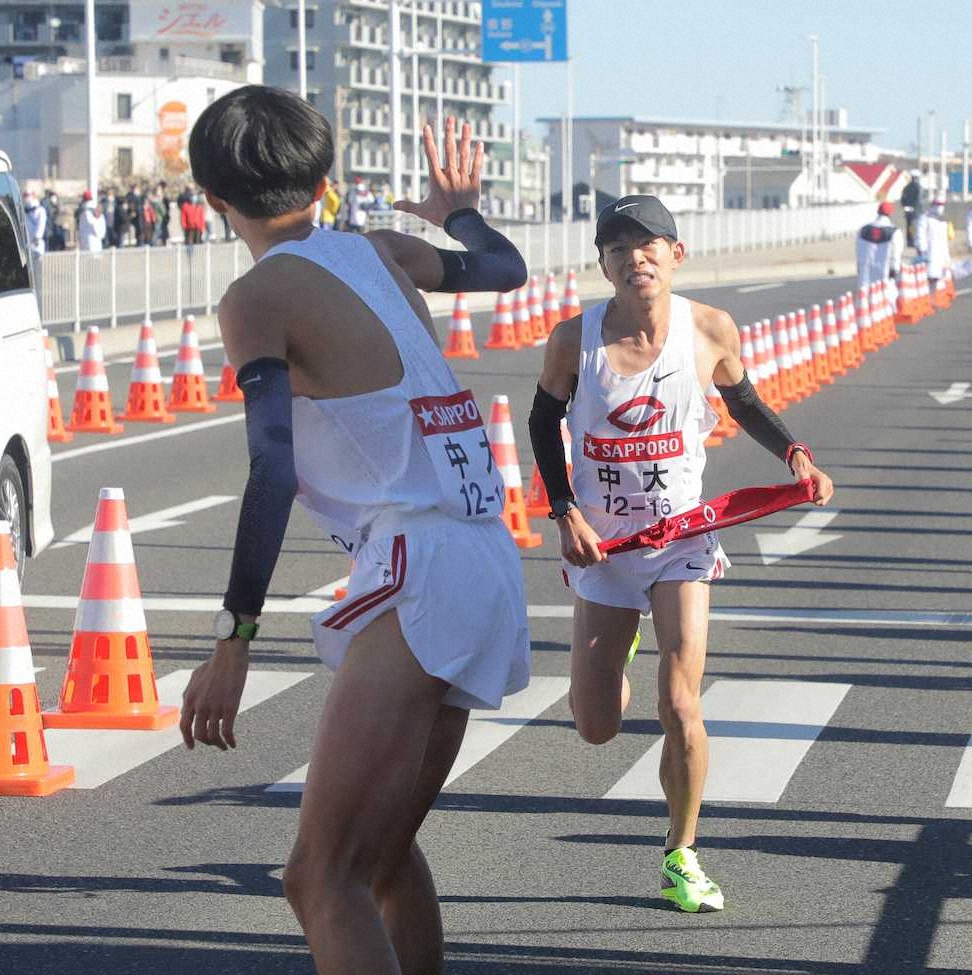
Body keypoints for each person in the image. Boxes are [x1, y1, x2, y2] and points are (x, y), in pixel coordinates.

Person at [180, 87, 530, 974]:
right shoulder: (381, 248)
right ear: (324, 179)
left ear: (212, 199)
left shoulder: (256, 296)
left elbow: (272, 465)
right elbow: (504, 269)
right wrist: (459, 212)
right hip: (484, 555)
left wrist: (233, 636)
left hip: (419, 566)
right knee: (382, 857)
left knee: (319, 876)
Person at [528, 195, 834, 914]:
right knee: (595, 724)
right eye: (618, 249)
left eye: (649, 245)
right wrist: (565, 510)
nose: (635, 258)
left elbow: (744, 400)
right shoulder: (573, 340)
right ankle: (620, 649)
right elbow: (543, 420)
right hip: (606, 548)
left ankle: (681, 851)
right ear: (602, 264)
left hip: (681, 541)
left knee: (680, 702)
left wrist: (795, 453)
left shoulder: (709, 328)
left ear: (676, 254)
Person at [856, 201, 903, 300]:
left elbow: (859, 251)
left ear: (878, 212)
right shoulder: (894, 232)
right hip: (884, 272)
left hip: (866, 273)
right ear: (890, 213)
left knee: (865, 300)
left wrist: (859, 267)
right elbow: (895, 255)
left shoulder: (863, 230)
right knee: (884, 300)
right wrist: (894, 270)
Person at [923, 198, 952, 293]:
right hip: (930, 253)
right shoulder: (926, 219)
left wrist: (947, 257)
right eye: (938, 204)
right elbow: (921, 237)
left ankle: (937, 297)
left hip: (942, 253)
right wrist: (923, 251)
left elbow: (945, 240)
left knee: (942, 279)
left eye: (942, 205)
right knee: (930, 277)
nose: (940, 207)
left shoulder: (943, 221)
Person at [901, 171, 922, 249]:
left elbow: (903, 199)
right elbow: (919, 200)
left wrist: (906, 207)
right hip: (916, 210)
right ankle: (914, 241)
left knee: (909, 224)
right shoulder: (918, 187)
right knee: (915, 225)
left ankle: (909, 241)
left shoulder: (906, 187)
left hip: (908, 209)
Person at [22, 191, 47, 257]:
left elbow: (41, 225)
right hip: (26, 244)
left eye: (28, 195)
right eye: (24, 195)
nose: (26, 197)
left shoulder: (41, 210)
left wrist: (37, 237)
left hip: (36, 244)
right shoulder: (23, 211)